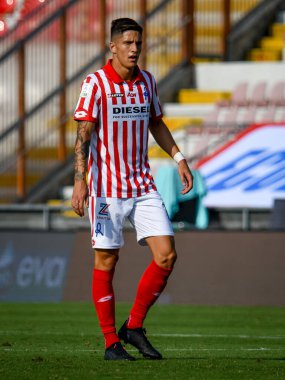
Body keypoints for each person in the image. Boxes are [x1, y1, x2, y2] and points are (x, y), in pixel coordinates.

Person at [72, 17, 193, 361]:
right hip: (106, 190)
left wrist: (179, 157)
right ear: (112, 47)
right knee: (107, 260)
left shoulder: (147, 82)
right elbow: (82, 136)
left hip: (142, 184)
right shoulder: (95, 84)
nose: (134, 49)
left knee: (167, 254)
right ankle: (112, 342)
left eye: (138, 43)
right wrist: (80, 181)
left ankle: (134, 326)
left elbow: (156, 122)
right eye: (127, 43)